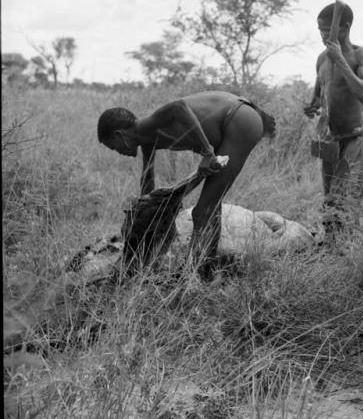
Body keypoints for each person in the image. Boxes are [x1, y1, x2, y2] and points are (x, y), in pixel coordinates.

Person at [97, 90, 275, 278]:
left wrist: (208, 154)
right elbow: (147, 179)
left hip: (238, 119)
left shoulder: (150, 123)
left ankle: (197, 276)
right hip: (236, 121)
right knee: (209, 207)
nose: (117, 152)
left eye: (113, 146)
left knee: (204, 211)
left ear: (120, 135)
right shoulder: (148, 142)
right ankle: (204, 271)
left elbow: (178, 108)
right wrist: (144, 212)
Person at [304, 0, 363, 242]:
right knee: (330, 201)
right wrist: (311, 107)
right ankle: (333, 252)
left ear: (343, 28)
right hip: (330, 142)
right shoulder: (322, 59)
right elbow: (318, 96)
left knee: (347, 203)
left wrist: (340, 59)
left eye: (327, 30)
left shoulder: (360, 55)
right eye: (320, 30)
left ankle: (348, 256)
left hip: (355, 139)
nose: (323, 35)